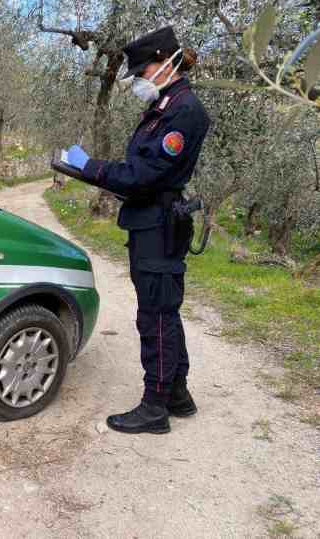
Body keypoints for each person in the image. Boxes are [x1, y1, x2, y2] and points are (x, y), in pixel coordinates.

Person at [64, 26, 211, 434]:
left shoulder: (183, 111)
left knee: (156, 316)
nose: (139, 81)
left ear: (166, 63)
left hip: (159, 225)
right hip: (152, 223)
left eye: (143, 72)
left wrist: (89, 168)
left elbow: (143, 175)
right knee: (163, 310)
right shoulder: (165, 107)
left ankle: (155, 407)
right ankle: (177, 394)